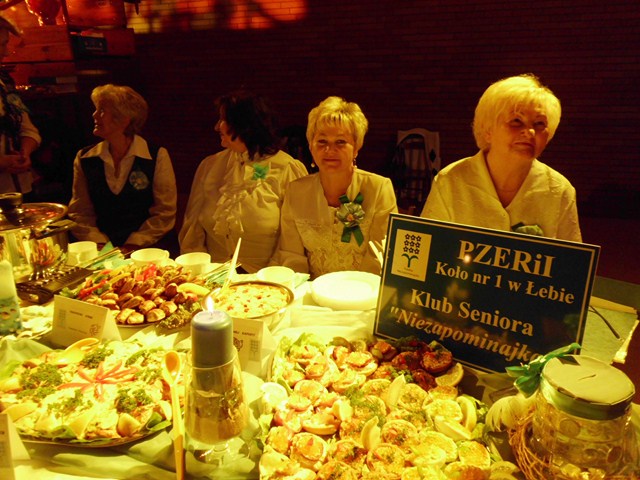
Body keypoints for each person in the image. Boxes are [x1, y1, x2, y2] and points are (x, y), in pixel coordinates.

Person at [420, 74, 582, 242]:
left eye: (539, 124)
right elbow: (427, 247)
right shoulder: (450, 181)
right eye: (516, 121)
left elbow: (571, 257)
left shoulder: (560, 190)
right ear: (487, 130)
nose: (530, 132)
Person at [179, 90, 308, 273]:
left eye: (223, 120)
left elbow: (293, 242)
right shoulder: (210, 166)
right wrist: (200, 272)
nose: (217, 127)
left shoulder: (287, 169)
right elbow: (193, 230)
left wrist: (266, 279)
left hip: (265, 279)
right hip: (212, 277)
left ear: (244, 125)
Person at [271, 96, 397, 278]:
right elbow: (292, 257)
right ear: (311, 146)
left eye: (340, 142)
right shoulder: (295, 192)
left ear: (356, 148)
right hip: (311, 290)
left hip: (364, 289)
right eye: (322, 141)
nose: (329, 150)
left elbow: (380, 258)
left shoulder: (379, 189)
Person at [68, 84, 177, 254]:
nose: (94, 115)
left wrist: (134, 244)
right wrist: (100, 244)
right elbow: (80, 212)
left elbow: (164, 212)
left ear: (124, 118)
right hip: (101, 251)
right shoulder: (84, 158)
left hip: (148, 251)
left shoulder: (156, 155)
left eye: (101, 110)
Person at [0, 15, 41, 197]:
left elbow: (28, 128)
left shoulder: (5, 83)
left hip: (20, 189)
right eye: (2, 45)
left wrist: (25, 152)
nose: (6, 52)